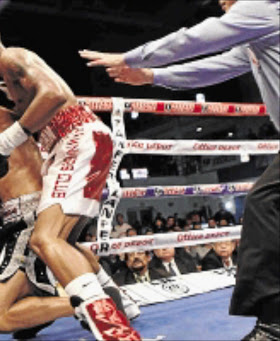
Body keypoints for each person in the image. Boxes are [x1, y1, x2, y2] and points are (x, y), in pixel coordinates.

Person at [80, 1, 279, 338]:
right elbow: (213, 67)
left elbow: (196, 39)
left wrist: (132, 57)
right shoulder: (256, 35)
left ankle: (274, 323)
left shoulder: (263, 7)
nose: (222, 2)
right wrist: (152, 76)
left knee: (263, 203)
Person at [0, 21, 138, 340]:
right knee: (62, 241)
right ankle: (115, 302)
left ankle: (112, 329)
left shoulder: (11, 57)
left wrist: (5, 141)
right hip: (74, 143)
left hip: (75, 138)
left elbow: (56, 94)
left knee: (46, 240)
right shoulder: (9, 75)